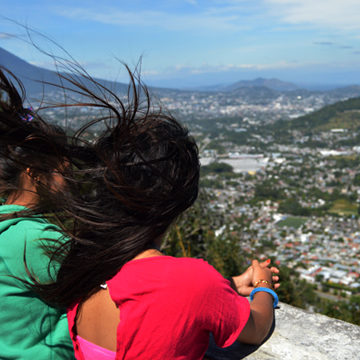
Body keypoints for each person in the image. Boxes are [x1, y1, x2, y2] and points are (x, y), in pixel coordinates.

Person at [5, 64, 280, 359]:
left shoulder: (85, 268)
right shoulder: (191, 280)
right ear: (180, 202)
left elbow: (146, 292)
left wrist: (224, 288)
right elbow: (257, 326)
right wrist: (263, 285)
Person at [0, 67, 75, 359]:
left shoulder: (7, 225)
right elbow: (106, 290)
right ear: (36, 174)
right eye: (62, 173)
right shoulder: (36, 239)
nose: (67, 183)